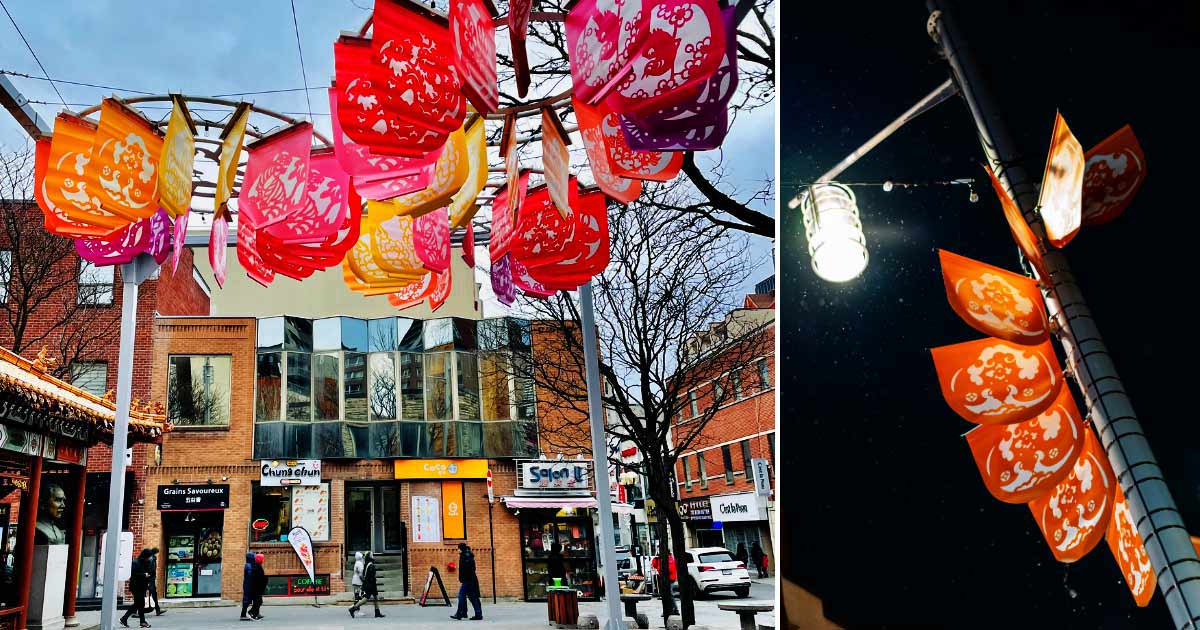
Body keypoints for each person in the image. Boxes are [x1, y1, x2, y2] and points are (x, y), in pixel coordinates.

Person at [120, 548, 153, 628]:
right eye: (148, 556)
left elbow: (149, 572)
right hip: (136, 586)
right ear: (145, 556)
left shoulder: (147, 562)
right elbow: (133, 574)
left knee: (139, 604)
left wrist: (148, 577)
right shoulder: (135, 562)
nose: (149, 558)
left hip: (143, 586)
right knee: (139, 603)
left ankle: (125, 619)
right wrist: (144, 575)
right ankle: (141, 621)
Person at [450, 542, 482, 621]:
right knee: (472, 597)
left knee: (461, 595)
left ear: (461, 549)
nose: (458, 550)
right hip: (470, 580)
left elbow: (469, 569)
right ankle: (477, 614)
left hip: (468, 580)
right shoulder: (466, 555)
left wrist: (465, 579)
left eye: (458, 549)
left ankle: (461, 613)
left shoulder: (466, 556)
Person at [349, 551, 383, 618]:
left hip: (370, 583)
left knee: (375, 598)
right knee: (366, 598)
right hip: (371, 584)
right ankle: (353, 609)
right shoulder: (370, 565)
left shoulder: (366, 564)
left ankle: (377, 612)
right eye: (371, 555)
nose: (372, 555)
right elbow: (371, 577)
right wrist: (372, 583)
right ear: (369, 556)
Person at [146, 548, 164, 616]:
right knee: (151, 594)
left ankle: (157, 609)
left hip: (150, 579)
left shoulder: (151, 558)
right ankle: (157, 610)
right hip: (150, 579)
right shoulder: (152, 558)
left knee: (153, 594)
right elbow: (151, 569)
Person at [249, 553, 267, 620]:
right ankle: (252, 612)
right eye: (262, 559)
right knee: (258, 601)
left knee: (258, 601)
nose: (263, 560)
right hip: (256, 588)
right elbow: (258, 578)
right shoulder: (257, 567)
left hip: (257, 588)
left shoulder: (257, 566)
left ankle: (256, 613)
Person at [240, 551, 255, 620]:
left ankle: (245, 613)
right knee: (247, 599)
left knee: (248, 599)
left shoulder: (248, 564)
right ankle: (243, 615)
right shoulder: (249, 565)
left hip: (247, 584)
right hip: (248, 584)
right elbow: (250, 575)